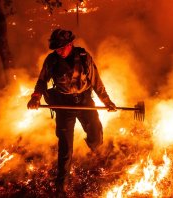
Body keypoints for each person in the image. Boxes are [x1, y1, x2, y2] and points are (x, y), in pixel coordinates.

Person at [27, 28, 116, 196]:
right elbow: (41, 81)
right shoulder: (52, 60)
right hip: (63, 105)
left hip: (84, 101)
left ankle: (94, 150)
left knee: (96, 135)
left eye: (61, 47)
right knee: (65, 147)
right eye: (56, 48)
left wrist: (107, 101)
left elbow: (96, 81)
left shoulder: (83, 57)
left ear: (70, 44)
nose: (59, 51)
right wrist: (35, 97)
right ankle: (61, 185)